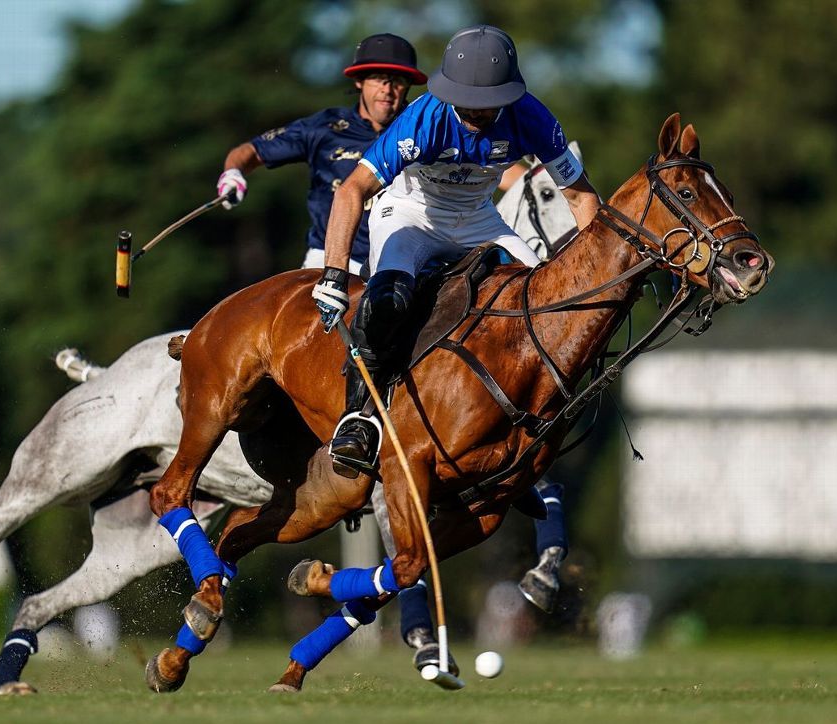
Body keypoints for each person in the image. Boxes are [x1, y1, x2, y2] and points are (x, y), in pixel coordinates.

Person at [311, 23, 600, 474]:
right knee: (388, 301)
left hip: (479, 219)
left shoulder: (534, 118)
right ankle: (359, 418)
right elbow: (351, 190)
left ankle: (521, 435)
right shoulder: (423, 118)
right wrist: (332, 274)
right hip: (411, 215)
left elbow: (580, 196)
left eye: (488, 105)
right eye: (467, 102)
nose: (476, 113)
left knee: (545, 304)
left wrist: (596, 271)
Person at [215, 33, 427, 275]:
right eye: (378, 79)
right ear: (359, 80)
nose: (387, 90)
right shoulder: (323, 128)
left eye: (397, 81)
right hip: (328, 259)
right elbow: (250, 151)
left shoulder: (422, 130)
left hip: (402, 260)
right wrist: (233, 173)